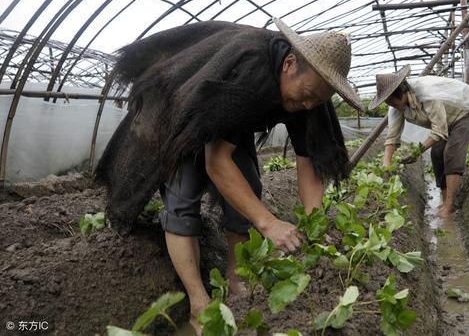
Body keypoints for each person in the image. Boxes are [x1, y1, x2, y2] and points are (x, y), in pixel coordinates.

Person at [95, 18, 363, 332]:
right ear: (290, 64)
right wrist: (270, 222)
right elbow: (216, 162)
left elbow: (309, 162)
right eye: (306, 94)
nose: (307, 104)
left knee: (248, 189)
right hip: (177, 109)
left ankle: (236, 283)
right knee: (183, 199)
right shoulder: (250, 69)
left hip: (227, 116)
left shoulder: (313, 94)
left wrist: (313, 222)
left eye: (316, 100)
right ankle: (198, 302)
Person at [368, 65, 469, 217]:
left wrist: (417, 152)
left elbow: (439, 130)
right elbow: (393, 136)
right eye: (387, 102)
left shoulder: (427, 95)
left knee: (451, 154)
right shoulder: (396, 107)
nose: (390, 105)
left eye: (391, 101)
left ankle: (450, 205)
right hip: (444, 122)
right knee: (437, 153)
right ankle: (445, 199)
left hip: (462, 116)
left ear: (401, 92)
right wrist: (386, 163)